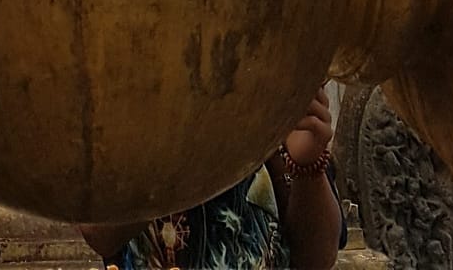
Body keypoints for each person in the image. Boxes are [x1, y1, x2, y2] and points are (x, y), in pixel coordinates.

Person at [79, 89, 343, 270]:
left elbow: (317, 258)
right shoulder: (123, 98)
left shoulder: (268, 88)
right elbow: (99, 233)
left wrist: (307, 166)